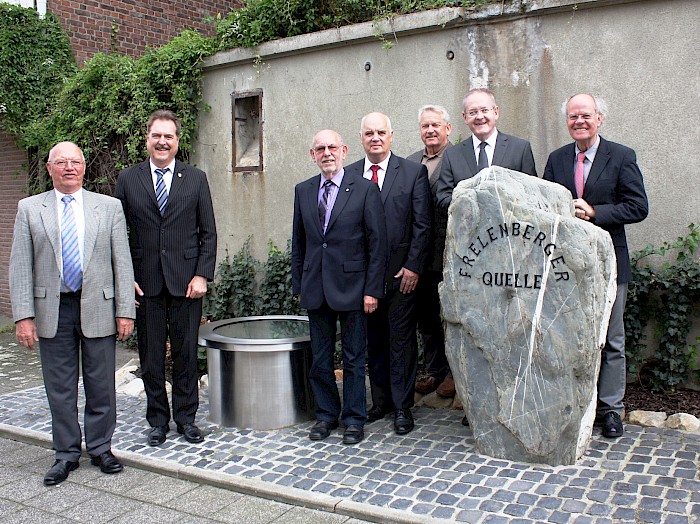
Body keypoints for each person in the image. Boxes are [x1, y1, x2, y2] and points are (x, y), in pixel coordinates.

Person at [10, 141, 135, 486]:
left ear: (84, 167)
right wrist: (23, 316)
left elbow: (121, 262)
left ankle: (100, 447)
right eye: (60, 162)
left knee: (100, 385)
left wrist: (125, 310)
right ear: (49, 168)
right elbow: (20, 266)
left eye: (75, 162)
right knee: (59, 387)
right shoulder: (30, 208)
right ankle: (65, 453)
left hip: (98, 305)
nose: (69, 167)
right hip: (54, 308)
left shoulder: (107, 207)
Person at [544, 93, 648, 438]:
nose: (579, 121)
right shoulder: (557, 159)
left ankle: (611, 409)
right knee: (567, 336)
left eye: (585, 115)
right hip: (567, 264)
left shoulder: (621, 156)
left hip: (609, 262)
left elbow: (638, 207)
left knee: (612, 339)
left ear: (599, 118)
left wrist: (596, 212)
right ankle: (571, 405)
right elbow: (545, 206)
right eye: (573, 116)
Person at [115, 110, 217, 446]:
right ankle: (157, 420)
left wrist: (202, 274)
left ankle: (186, 418)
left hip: (187, 283)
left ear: (177, 141)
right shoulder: (129, 179)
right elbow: (120, 235)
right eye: (156, 136)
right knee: (151, 355)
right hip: (146, 284)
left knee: (187, 354)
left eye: (168, 136)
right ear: (147, 139)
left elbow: (208, 232)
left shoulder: (196, 178)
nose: (162, 142)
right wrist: (124, 277)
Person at [292, 129, 387, 445]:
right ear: (312, 154)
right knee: (320, 358)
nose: (327, 153)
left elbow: (377, 243)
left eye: (332, 147)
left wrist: (373, 289)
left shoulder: (364, 189)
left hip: (354, 287)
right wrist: (298, 285)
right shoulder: (303, 191)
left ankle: (354, 419)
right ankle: (326, 416)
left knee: (354, 358)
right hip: (315, 288)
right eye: (320, 148)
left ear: (344, 150)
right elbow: (300, 242)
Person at [345, 112, 431, 435]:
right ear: (361, 138)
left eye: (381, 132)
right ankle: (380, 402)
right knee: (374, 342)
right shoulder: (349, 175)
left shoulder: (412, 173)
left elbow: (422, 225)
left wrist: (413, 266)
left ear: (392, 136)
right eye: (369, 133)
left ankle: (402, 407)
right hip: (364, 279)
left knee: (401, 343)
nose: (375, 138)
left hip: (401, 277)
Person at [406, 105, 455, 399]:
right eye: (425, 126)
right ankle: (435, 370)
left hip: (448, 252)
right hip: (419, 255)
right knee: (426, 317)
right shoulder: (411, 162)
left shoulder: (458, 158)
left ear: (448, 128)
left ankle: (452, 372)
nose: (430, 131)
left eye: (435, 125)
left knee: (447, 315)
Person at [436, 88, 537, 209]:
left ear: (496, 112)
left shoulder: (520, 149)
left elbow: (532, 194)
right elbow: (443, 198)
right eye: (472, 112)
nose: (479, 116)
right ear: (465, 117)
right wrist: (470, 202)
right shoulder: (452, 155)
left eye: (484, 110)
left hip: (508, 226)